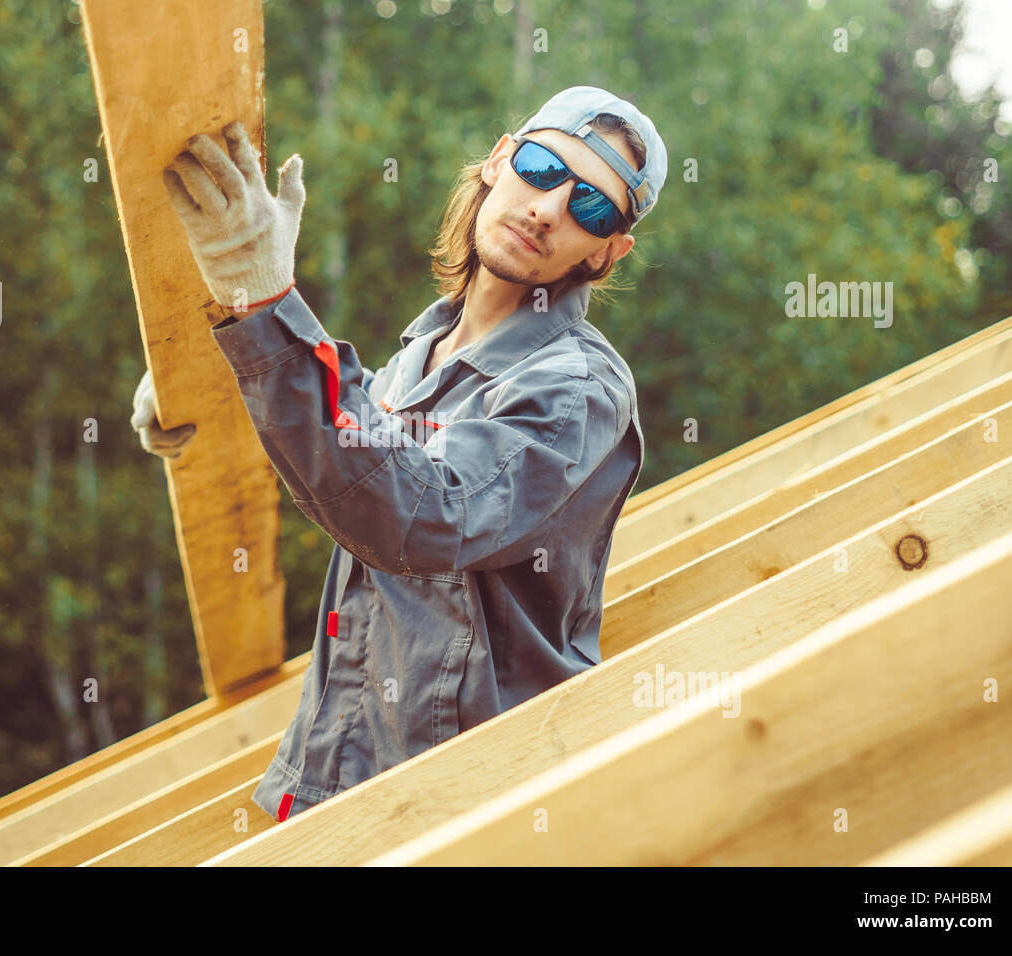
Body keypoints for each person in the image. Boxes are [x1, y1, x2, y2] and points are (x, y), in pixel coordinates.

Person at [131, 86, 666, 823]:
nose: (550, 208)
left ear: (608, 250)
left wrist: (264, 306)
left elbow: (421, 516)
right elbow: (345, 463)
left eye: (593, 209)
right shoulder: (419, 357)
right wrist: (214, 397)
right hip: (337, 781)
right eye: (543, 168)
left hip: (461, 810)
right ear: (501, 160)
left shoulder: (575, 387)